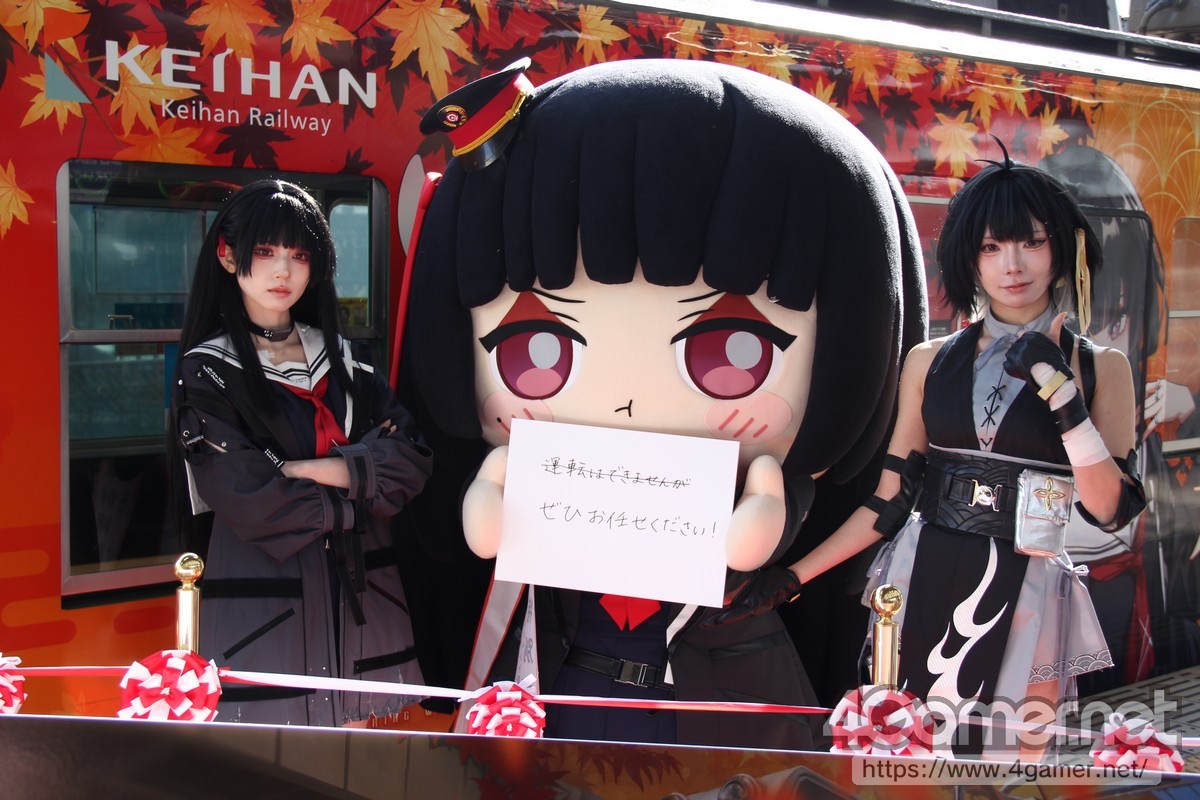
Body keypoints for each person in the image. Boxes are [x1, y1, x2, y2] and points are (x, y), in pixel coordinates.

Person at [400, 58, 927, 749]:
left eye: (733, 350)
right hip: (564, 675)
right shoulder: (525, 468)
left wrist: (762, 502)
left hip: (716, 691)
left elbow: (752, 541)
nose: (625, 404)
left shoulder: (761, 478)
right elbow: (486, 532)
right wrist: (495, 490)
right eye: (534, 351)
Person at [766, 145, 1147, 758]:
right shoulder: (930, 360)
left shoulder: (1101, 368)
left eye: (1031, 242)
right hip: (924, 574)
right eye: (991, 247)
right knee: (907, 762)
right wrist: (790, 579)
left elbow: (1111, 511)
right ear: (969, 258)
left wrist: (1063, 398)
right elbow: (889, 503)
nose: (1012, 265)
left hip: (1031, 588)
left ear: (1062, 249)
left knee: (1009, 770)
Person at [169, 179, 433, 726]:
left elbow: (411, 460)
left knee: (366, 754)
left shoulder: (345, 359)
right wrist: (359, 479)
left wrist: (304, 469)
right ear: (227, 255)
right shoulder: (207, 371)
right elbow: (251, 499)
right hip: (264, 606)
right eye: (265, 252)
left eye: (299, 254)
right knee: (273, 756)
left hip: (367, 599)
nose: (283, 271)